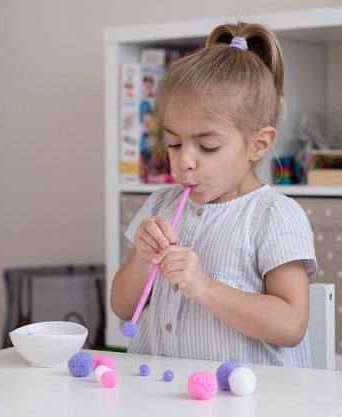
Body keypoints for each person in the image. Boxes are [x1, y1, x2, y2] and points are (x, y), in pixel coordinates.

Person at [110, 21, 318, 368]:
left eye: (207, 146)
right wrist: (143, 258)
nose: (184, 162)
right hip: (162, 389)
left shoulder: (273, 216)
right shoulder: (161, 205)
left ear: (258, 144)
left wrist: (205, 287)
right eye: (173, 143)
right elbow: (122, 307)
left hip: (249, 393)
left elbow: (291, 326)